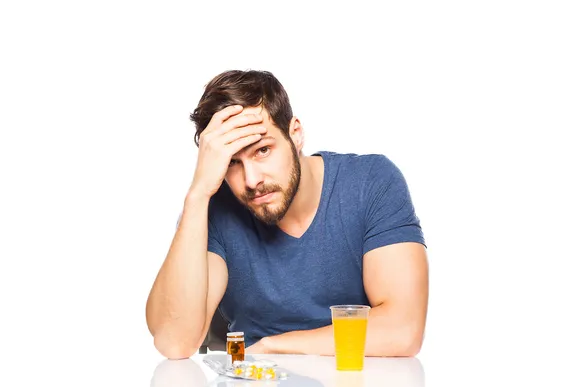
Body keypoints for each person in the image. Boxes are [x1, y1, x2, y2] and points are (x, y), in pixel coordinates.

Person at [145, 70, 429, 360]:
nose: (252, 179)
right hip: (254, 378)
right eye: (232, 162)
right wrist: (198, 195)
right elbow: (175, 343)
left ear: (296, 133)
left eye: (263, 150)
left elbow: (402, 330)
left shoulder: (370, 183)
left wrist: (272, 345)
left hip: (353, 375)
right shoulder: (214, 207)